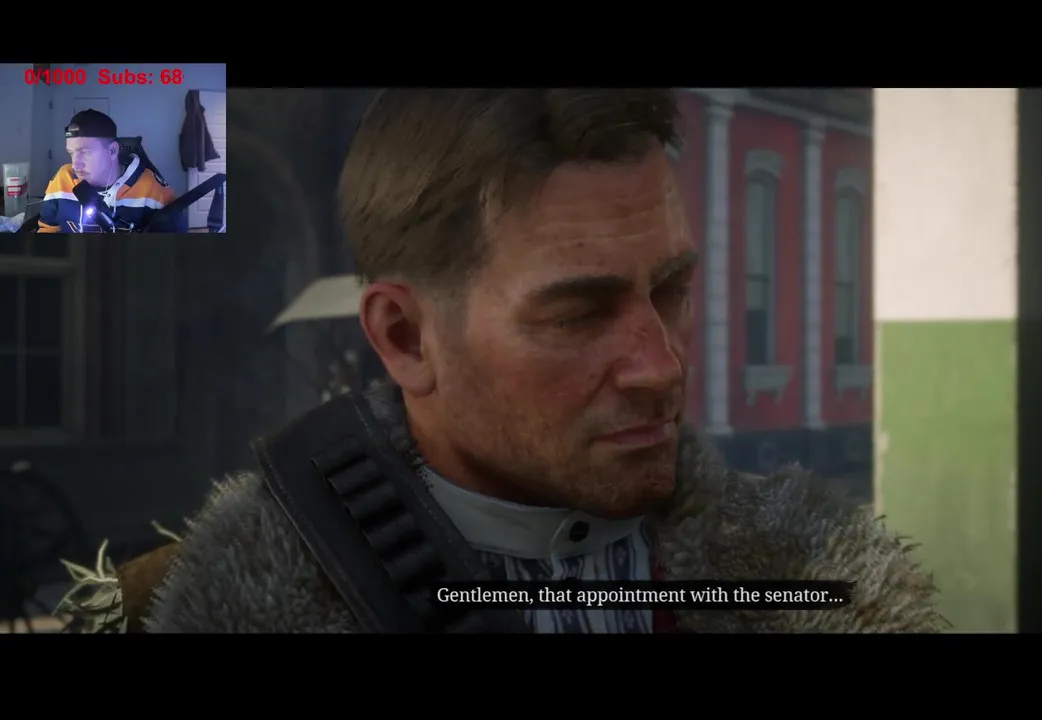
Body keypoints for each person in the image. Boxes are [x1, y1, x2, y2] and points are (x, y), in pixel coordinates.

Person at [59, 89, 945, 634]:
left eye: (672, 289)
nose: (661, 367)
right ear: (405, 339)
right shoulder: (183, 608)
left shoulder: (814, 579)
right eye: (577, 313)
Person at [37, 109, 177, 233]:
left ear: (112, 150)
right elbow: (47, 230)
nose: (75, 165)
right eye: (71, 153)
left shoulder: (153, 189)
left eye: (85, 152)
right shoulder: (63, 179)